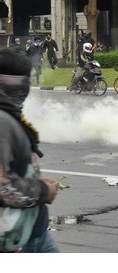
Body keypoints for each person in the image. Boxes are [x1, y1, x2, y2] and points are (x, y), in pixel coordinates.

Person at [0, 48, 60, 253]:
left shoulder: (10, 118)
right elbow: (4, 187)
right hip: (17, 241)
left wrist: (36, 181)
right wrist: (43, 191)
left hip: (33, 232)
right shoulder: (2, 122)